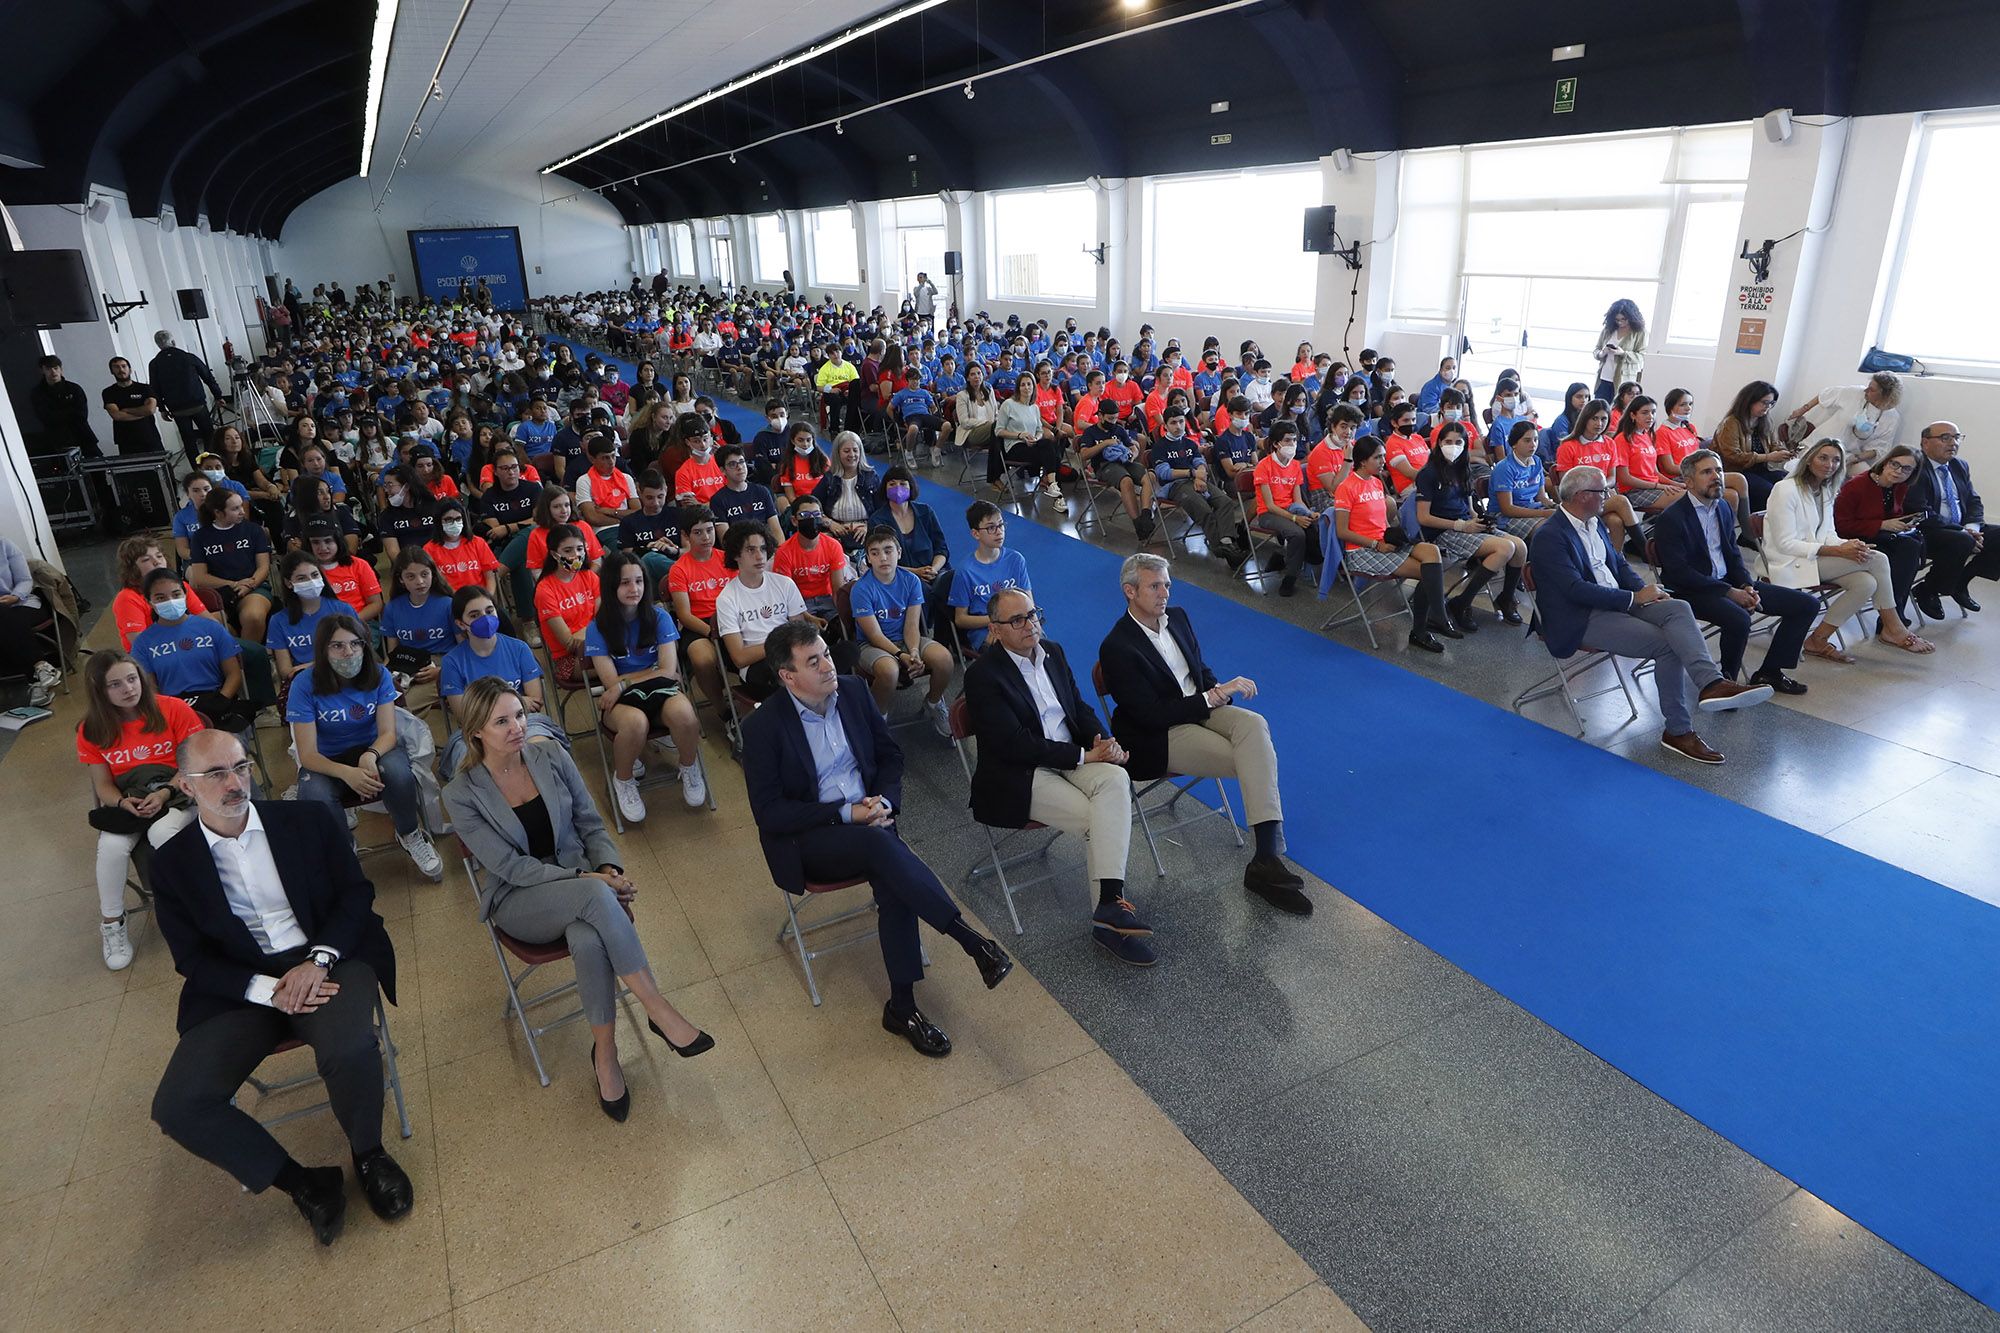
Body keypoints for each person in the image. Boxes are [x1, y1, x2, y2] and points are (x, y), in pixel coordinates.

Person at [148, 728, 411, 1246]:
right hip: (240, 983)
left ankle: (369, 1153)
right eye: (216, 773)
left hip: (327, 956)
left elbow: (356, 897)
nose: (234, 782)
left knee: (349, 1045)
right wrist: (267, 990)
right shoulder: (172, 863)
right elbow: (192, 959)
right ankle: (304, 1183)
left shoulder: (306, 820)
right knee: (179, 1105)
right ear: (184, 784)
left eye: (241, 766)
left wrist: (316, 961)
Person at [444, 679, 712, 1117]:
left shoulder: (550, 755)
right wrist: (591, 878)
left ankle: (604, 1055)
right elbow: (510, 868)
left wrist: (609, 869)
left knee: (589, 939)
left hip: (584, 887)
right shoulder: (460, 794)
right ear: (476, 731)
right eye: (501, 721)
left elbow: (591, 825)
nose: (517, 726)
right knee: (592, 897)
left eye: (519, 715)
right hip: (520, 897)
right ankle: (657, 1008)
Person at [744, 621, 1012, 1056]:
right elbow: (771, 813)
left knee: (889, 871)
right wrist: (845, 812)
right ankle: (970, 940)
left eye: (827, 654)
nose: (828, 665)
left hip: (874, 824)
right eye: (814, 662)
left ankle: (903, 1007)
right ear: (787, 677)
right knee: (882, 850)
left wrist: (885, 801)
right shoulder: (762, 728)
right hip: (811, 839)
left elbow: (889, 754)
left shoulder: (851, 691)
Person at [1099, 554, 1309, 913]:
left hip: (1199, 707)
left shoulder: (1177, 617)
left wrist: (1218, 692)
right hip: (1159, 734)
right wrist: (1210, 698)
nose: (1164, 592)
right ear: (1129, 591)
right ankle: (1266, 861)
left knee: (1254, 725)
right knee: (1249, 758)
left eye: (1167, 584)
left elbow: (1199, 670)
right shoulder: (1117, 646)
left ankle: (1266, 856)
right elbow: (1149, 714)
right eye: (1155, 586)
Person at [1528, 465, 1773, 764]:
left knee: (1678, 607)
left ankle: (1711, 683)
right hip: (1581, 615)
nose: (1608, 496)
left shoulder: (1593, 523)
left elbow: (1618, 566)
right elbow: (1575, 590)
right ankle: (1678, 730)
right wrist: (1634, 598)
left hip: (1615, 602)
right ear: (1581, 496)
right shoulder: (1550, 536)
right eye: (1602, 491)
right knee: (1666, 644)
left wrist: (1647, 590)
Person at [962, 588, 1153, 964]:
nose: (1030, 624)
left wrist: (1104, 740)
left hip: (1071, 756)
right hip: (1020, 773)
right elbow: (1013, 744)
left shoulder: (1054, 652)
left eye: (1033, 614)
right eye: (1017, 619)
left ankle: (1109, 905)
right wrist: (1083, 755)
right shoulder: (983, 675)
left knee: (1116, 780)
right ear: (995, 630)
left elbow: (1077, 707)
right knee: (1097, 820)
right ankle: (1109, 923)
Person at [286, 614, 445, 877]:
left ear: (364, 645)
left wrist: (370, 755)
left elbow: (387, 733)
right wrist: (347, 773)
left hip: (372, 748)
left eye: (355, 643)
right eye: (337, 645)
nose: (348, 652)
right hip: (326, 759)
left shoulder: (379, 674)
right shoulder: (304, 685)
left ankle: (409, 833)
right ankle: (343, 848)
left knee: (399, 772)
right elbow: (308, 754)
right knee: (315, 795)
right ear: (323, 649)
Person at [76, 650, 205, 969]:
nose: (128, 688)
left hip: (178, 793)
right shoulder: (92, 728)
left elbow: (196, 766)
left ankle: (192, 912)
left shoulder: (172, 709)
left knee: (163, 832)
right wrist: (122, 802)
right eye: (116, 684)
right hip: (130, 800)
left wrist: (164, 793)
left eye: (132, 679)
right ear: (100, 691)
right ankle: (112, 923)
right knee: (110, 846)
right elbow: (103, 786)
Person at [1652, 450, 1818, 695]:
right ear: (1688, 481)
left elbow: (1732, 554)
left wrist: (1745, 585)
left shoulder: (1723, 508)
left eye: (1718, 470)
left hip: (1728, 584)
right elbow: (1679, 573)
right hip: (1691, 590)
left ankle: (1770, 672)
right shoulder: (1672, 518)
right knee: (1738, 618)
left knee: (1806, 605)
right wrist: (1729, 592)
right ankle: (1725, 684)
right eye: (1706, 472)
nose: (1716, 477)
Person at [1763, 440, 1934, 658]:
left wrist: (1849, 545)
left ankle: (1818, 639)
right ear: (1809, 459)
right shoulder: (1785, 490)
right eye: (1823, 458)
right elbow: (1785, 544)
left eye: (1836, 460)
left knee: (1866, 583)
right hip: (1788, 560)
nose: (1830, 465)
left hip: (1814, 556)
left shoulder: (1825, 490)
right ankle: (1894, 628)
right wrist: (1838, 551)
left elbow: (1829, 535)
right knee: (1879, 559)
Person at [584, 551, 709, 820]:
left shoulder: (659, 617)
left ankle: (688, 767)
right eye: (625, 582)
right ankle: (624, 779)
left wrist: (626, 681)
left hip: (655, 692)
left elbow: (667, 669)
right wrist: (634, 679)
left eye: (639, 581)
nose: (634, 589)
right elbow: (610, 682)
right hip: (623, 701)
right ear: (611, 585)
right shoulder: (598, 627)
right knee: (636, 723)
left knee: (686, 716)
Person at [1331, 437, 1457, 653]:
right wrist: (1376, 544)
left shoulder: (1376, 482)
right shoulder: (1346, 487)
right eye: (1378, 457)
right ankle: (1423, 628)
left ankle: (1436, 616)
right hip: (1362, 551)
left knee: (1431, 551)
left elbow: (1381, 521)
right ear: (1362, 461)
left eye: (1383, 456)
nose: (1383, 461)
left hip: (1384, 542)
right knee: (1426, 572)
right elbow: (1342, 531)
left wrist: (1392, 536)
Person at [1413, 420, 1527, 627]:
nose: (1453, 446)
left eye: (1459, 442)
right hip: (1441, 531)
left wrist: (1477, 519)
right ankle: (1463, 602)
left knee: (1520, 547)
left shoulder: (1462, 469)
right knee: (1505, 548)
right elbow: (1423, 518)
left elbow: (1469, 508)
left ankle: (1506, 598)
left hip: (1466, 525)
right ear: (1438, 443)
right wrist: (1461, 526)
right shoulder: (1428, 474)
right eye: (1448, 441)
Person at [849, 525, 955, 731]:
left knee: (944, 659)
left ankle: (933, 702)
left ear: (898, 553)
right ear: (868, 559)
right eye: (875, 553)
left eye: (888, 551)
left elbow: (912, 625)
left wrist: (914, 651)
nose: (883, 558)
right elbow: (874, 634)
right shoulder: (861, 589)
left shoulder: (911, 581)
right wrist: (900, 655)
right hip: (871, 645)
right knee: (889, 671)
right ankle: (878, 717)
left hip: (906, 640)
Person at [130, 568, 260, 730]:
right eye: (160, 598)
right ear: (149, 602)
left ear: (185, 595)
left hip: (217, 701)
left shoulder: (212, 628)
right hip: (173, 710)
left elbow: (234, 674)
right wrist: (172, 712)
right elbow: (151, 689)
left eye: (176, 594)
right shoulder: (143, 643)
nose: (170, 601)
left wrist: (219, 702)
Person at [1905, 421, 2000, 617]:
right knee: (1962, 540)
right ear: (1925, 443)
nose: (1953, 443)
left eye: (1957, 437)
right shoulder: (1915, 467)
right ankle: (1928, 589)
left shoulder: (1959, 465)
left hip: (1960, 528)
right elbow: (1921, 511)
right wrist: (1964, 532)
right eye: (1945, 438)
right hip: (1928, 530)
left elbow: (1974, 502)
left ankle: (1961, 582)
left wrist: (1971, 526)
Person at [715, 522, 816, 701]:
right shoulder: (727, 598)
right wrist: (778, 645)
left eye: (762, 549)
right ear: (736, 555)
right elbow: (739, 657)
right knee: (785, 677)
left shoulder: (784, 584)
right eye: (750, 550)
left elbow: (799, 633)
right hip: (758, 665)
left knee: (844, 653)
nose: (759, 556)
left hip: (792, 654)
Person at [1834, 446, 1926, 621]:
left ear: (1912, 473)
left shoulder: (1899, 487)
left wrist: (1902, 524)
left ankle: (1892, 615)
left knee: (1912, 544)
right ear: (1885, 463)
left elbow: (1891, 515)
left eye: (1906, 469)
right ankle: (1892, 616)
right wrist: (1882, 525)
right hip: (1855, 539)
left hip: (1881, 536)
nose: (1898, 471)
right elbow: (1841, 526)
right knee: (1908, 550)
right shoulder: (1856, 485)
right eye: (1894, 464)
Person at [187, 487, 275, 648]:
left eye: (241, 506)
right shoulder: (200, 537)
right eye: (235, 509)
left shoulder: (253, 530)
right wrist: (233, 584)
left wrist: (250, 584)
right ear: (218, 513)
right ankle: (233, 654)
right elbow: (200, 578)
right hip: (219, 592)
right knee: (207, 623)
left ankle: (248, 657)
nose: (242, 511)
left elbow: (263, 567)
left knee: (253, 616)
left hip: (254, 587)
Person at [867, 465, 952, 626]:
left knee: (950, 584)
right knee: (921, 589)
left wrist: (934, 568)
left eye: (903, 483)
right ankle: (923, 633)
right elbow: (878, 560)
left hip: (933, 570)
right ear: (884, 488)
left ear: (910, 487)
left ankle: (949, 635)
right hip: (898, 574)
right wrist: (916, 572)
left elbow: (941, 548)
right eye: (892, 484)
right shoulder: (877, 520)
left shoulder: (925, 512)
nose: (898, 488)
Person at [949, 500, 1032, 653]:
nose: (999, 531)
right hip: (986, 630)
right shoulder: (966, 571)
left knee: (1043, 647)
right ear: (975, 533)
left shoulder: (1016, 559)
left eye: (1001, 525)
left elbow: (1029, 603)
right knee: (1009, 654)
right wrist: (997, 622)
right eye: (991, 528)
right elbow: (960, 619)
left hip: (1018, 623)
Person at [1785, 372, 1902, 472]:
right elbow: (1825, 395)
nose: (1866, 390)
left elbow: (1879, 449)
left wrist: (1855, 458)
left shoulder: (1892, 418)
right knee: (1820, 470)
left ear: (1885, 395)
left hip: (1848, 455)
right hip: (1819, 446)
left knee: (1867, 477)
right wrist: (1801, 410)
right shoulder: (1855, 393)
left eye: (1872, 389)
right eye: (1868, 386)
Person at [1253, 420, 1316, 596]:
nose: (1292, 444)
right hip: (1268, 513)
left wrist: (1309, 513)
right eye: (1287, 440)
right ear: (1276, 443)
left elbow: (1298, 500)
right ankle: (1290, 577)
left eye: (1294, 440)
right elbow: (1270, 506)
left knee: (1315, 525)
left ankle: (1283, 557)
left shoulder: (1295, 465)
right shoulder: (1263, 466)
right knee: (1297, 533)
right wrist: (1295, 518)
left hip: (1290, 509)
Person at [1713, 380, 1795, 511]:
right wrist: (1768, 457)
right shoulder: (1731, 423)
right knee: (1770, 492)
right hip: (1737, 472)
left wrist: (1784, 452)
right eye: (1764, 402)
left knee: (1789, 483)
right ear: (1750, 400)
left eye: (1771, 403)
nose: (1767, 407)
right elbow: (1732, 456)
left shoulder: (1765, 421)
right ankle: (1754, 526)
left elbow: (1774, 444)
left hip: (1760, 470)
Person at [994, 370, 1065, 510]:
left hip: (1032, 444)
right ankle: (1054, 488)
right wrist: (1020, 435)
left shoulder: (1034, 408)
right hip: (1015, 446)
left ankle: (1055, 490)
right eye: (1023, 385)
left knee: (1052, 448)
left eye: (1029, 384)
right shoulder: (1008, 405)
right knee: (1049, 450)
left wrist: (1036, 438)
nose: (1026, 387)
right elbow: (998, 431)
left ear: (1033, 386)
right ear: (1018, 388)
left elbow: (1039, 431)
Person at [148, 330, 225, 449]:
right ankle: (209, 462)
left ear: (158, 345)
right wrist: (218, 396)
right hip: (197, 404)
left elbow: (154, 388)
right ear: (173, 341)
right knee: (209, 435)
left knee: (188, 440)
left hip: (176, 409)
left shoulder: (154, 364)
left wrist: (162, 408)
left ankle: (196, 466)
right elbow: (207, 377)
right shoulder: (189, 357)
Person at [30, 354, 99, 459]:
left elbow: (82, 415)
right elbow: (46, 417)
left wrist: (58, 413)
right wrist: (69, 412)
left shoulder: (74, 388)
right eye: (48, 369)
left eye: (56, 368)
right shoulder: (38, 393)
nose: (53, 372)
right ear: (42, 371)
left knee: (97, 468)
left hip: (83, 436)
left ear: (61, 369)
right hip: (59, 441)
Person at [102, 356, 165, 453]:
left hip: (150, 436)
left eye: (123, 366)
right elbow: (116, 415)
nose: (121, 370)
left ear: (130, 369)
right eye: (116, 367)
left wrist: (126, 410)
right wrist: (141, 412)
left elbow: (150, 410)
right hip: (126, 440)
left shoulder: (145, 388)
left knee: (160, 465)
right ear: (112, 371)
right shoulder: (108, 392)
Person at [1594, 299, 1646, 400]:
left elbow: (1642, 356)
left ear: (1631, 317)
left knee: (1619, 411)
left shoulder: (1640, 332)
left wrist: (1623, 353)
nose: (1620, 322)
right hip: (1604, 377)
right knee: (1599, 409)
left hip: (1624, 380)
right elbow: (1596, 350)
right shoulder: (1608, 330)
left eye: (1623, 319)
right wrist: (1602, 353)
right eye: (1617, 319)